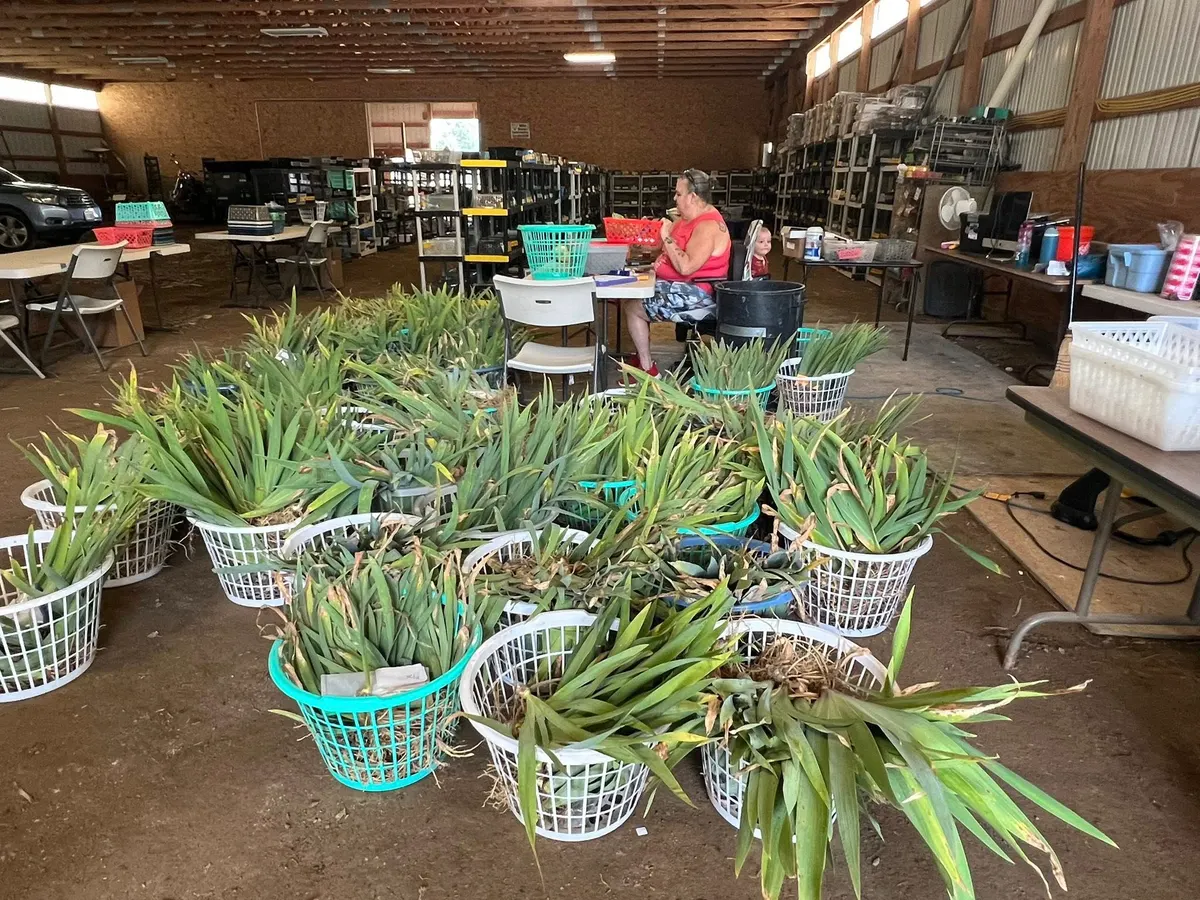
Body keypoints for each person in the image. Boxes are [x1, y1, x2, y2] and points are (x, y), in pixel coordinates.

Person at [622, 169, 730, 377]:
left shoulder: (708, 226)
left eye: (679, 194)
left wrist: (666, 236)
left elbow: (686, 267)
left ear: (693, 197)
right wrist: (643, 237)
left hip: (698, 293)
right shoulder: (686, 219)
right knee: (630, 294)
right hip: (678, 285)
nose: (674, 198)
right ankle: (641, 353)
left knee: (633, 307)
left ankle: (647, 369)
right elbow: (662, 248)